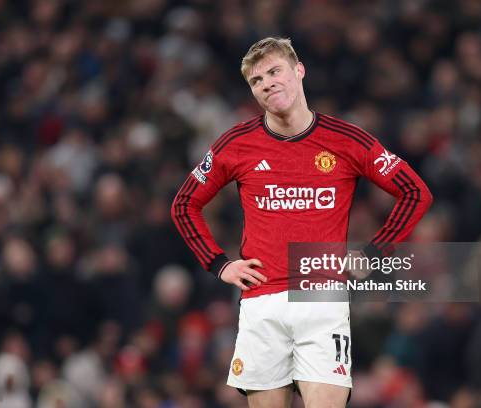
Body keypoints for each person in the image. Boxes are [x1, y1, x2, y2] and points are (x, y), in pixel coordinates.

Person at [171, 37, 432, 408]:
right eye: (257, 80)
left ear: (298, 71)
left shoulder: (345, 139)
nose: (267, 83)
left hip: (320, 300)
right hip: (261, 302)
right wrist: (219, 264)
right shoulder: (236, 144)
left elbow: (415, 192)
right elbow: (183, 205)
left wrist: (374, 253)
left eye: (275, 71)